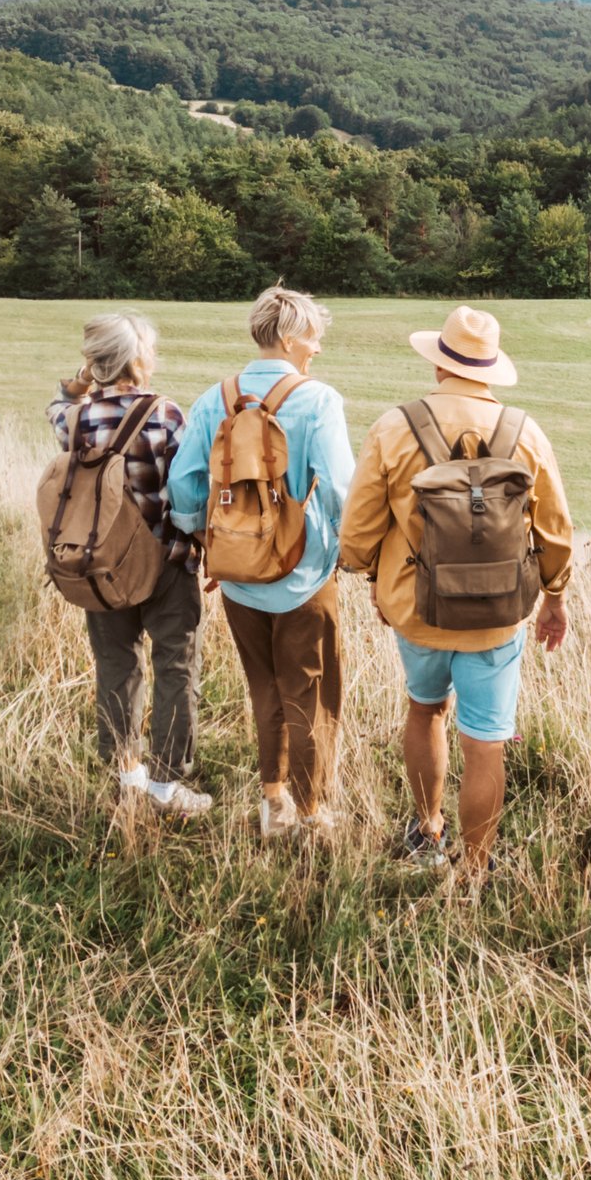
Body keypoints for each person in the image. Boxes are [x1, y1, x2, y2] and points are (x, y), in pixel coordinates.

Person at [339, 306, 574, 876]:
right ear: (490, 368)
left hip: (417, 609)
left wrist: (376, 577)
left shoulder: (394, 426)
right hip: (497, 616)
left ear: (439, 362)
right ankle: (475, 865)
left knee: (425, 712)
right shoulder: (525, 431)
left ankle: (427, 831)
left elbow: (356, 535)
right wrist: (556, 597)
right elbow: (555, 531)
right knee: (486, 743)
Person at [169, 285, 357, 837]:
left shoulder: (214, 398)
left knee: (265, 688)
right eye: (314, 337)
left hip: (236, 576)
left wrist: (205, 541)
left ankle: (273, 804)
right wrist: (355, 553)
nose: (318, 349)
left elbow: (184, 485)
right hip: (304, 572)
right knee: (311, 693)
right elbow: (344, 489)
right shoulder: (318, 400)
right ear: (292, 337)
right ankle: (314, 812)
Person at [47, 311, 213, 818]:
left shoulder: (73, 419)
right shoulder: (164, 414)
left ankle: (126, 774)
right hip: (164, 562)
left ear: (95, 361)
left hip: (98, 567)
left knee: (116, 666)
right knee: (175, 665)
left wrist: (75, 385)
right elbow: (187, 490)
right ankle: (166, 784)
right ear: (137, 359)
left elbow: (57, 404)